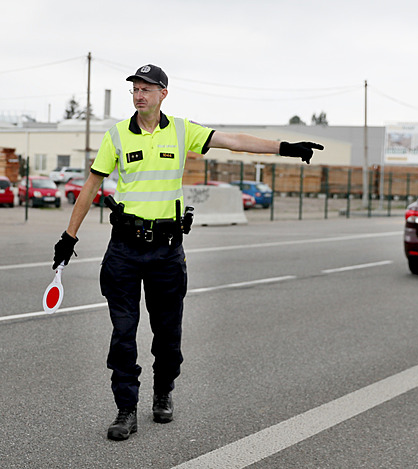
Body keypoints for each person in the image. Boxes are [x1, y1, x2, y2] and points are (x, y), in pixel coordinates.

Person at [51, 64, 324, 441]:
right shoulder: (116, 136)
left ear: (164, 94)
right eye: (135, 88)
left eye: (148, 88)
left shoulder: (181, 130)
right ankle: (125, 409)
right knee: (123, 334)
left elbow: (233, 140)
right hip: (125, 250)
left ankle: (163, 392)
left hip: (166, 251)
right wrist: (69, 236)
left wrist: (284, 148)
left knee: (167, 333)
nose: (140, 94)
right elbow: (90, 186)